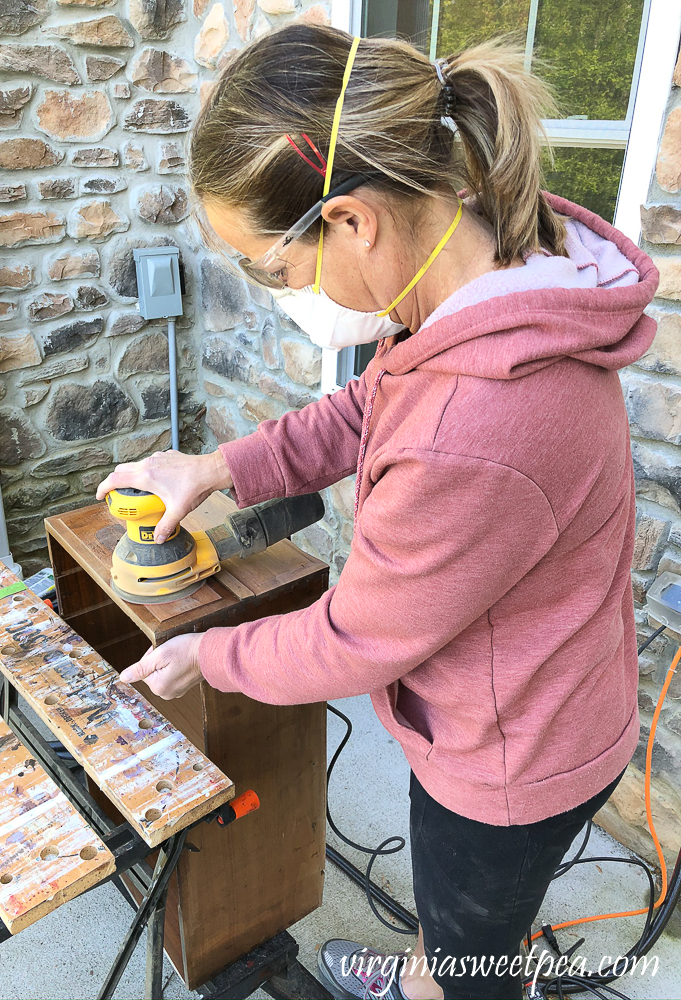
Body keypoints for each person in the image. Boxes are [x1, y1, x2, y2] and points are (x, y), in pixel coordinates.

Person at [96, 24, 660, 1000]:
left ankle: (451, 979)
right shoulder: (486, 278)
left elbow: (357, 640)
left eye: (275, 268)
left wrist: (208, 651)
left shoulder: (473, 421)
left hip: (511, 763)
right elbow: (365, 409)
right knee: (471, 920)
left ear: (351, 222)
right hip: (536, 692)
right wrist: (218, 467)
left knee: (472, 944)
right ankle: (438, 962)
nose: (288, 290)